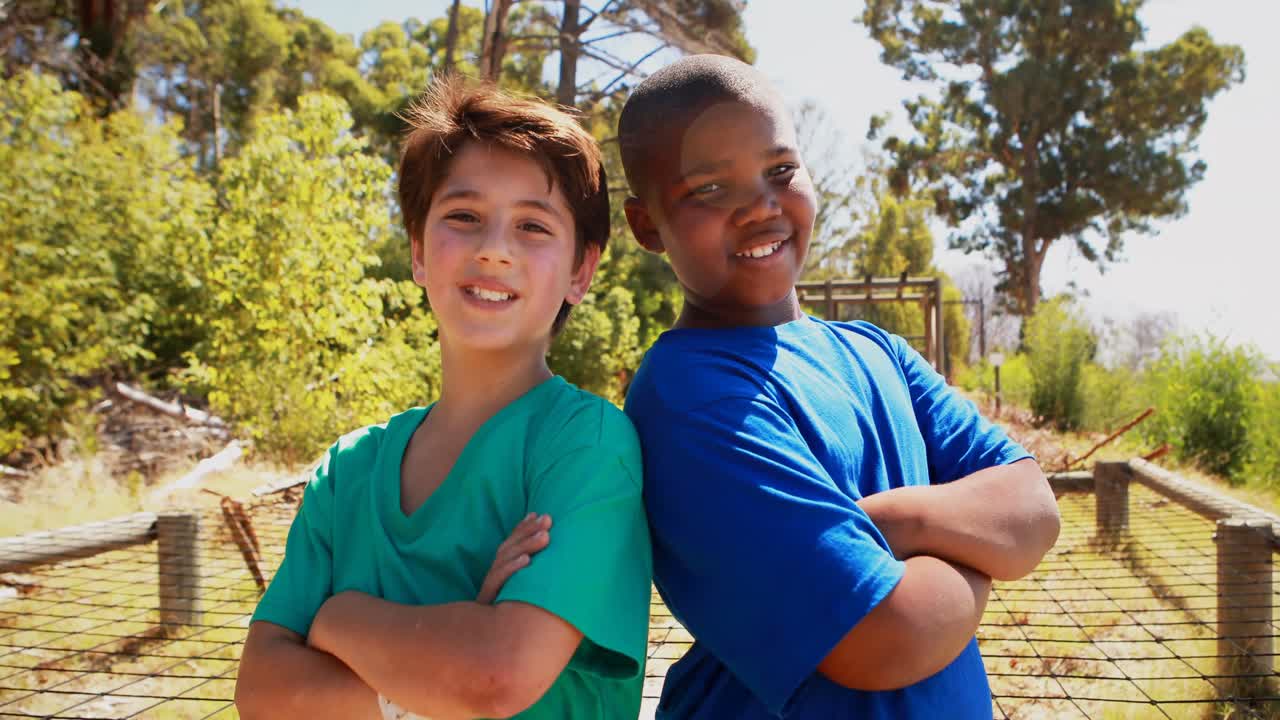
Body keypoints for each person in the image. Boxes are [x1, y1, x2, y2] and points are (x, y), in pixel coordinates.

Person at [619, 54, 1061, 719]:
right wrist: (979, 549)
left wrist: (896, 522)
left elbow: (1034, 508)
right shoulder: (690, 394)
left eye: (779, 171)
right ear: (647, 225)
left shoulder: (876, 351)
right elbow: (888, 636)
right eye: (709, 188)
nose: (760, 208)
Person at [235, 76, 652, 720]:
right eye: (463, 216)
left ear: (580, 271)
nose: (493, 249)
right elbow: (261, 692)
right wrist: (444, 654)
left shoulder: (587, 445)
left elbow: (493, 677)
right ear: (419, 251)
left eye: (533, 227)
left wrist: (339, 618)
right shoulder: (348, 471)